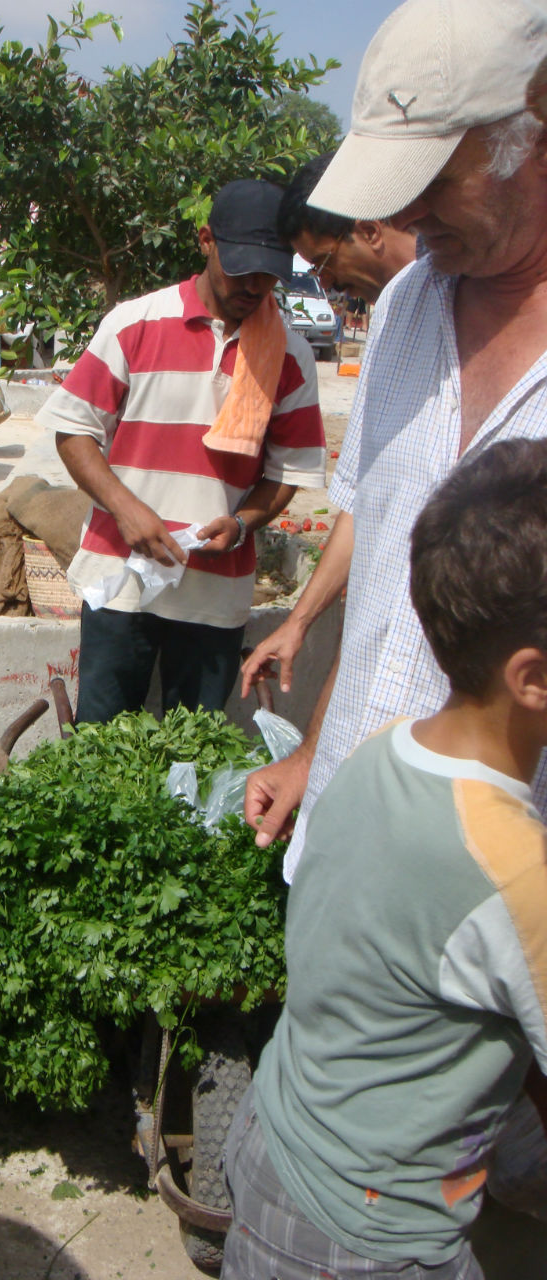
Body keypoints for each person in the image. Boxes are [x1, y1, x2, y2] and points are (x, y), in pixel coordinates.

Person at [221, 437, 547, 1280]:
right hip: (367, 1241)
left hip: (274, 1150)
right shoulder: (516, 874)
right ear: (533, 678)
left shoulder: (380, 752)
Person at [241, 0, 547, 883]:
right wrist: (314, 751)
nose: (408, 209)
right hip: (342, 839)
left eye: (437, 176)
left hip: (492, 896)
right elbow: (381, 576)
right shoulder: (411, 305)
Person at [38, 179, 326, 723]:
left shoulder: (289, 354)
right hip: (120, 577)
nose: (256, 285)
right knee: (101, 747)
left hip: (214, 597)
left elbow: (289, 470)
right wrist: (127, 510)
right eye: (242, 267)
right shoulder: (134, 323)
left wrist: (241, 524)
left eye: (270, 272)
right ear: (205, 241)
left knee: (190, 759)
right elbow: (73, 430)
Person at [277, 152, 417, 306]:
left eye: (325, 263)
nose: (325, 284)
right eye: (315, 269)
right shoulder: (389, 310)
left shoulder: (445, 290)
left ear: (369, 232)